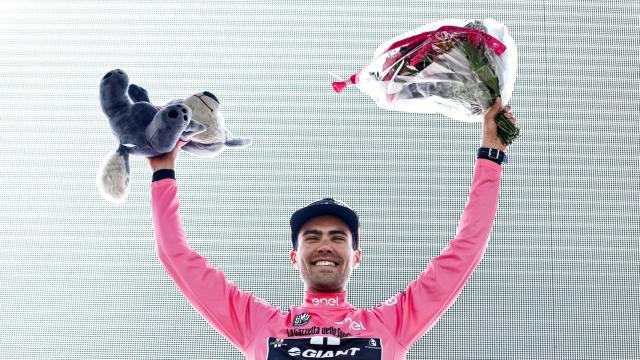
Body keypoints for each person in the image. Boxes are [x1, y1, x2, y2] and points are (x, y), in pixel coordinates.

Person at [148, 99, 516, 359]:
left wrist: (491, 156)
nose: (325, 244)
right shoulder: (260, 326)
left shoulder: (390, 326)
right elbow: (177, 257)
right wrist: (163, 171)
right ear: (294, 257)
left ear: (357, 257)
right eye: (312, 236)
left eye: (338, 237)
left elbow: (464, 251)